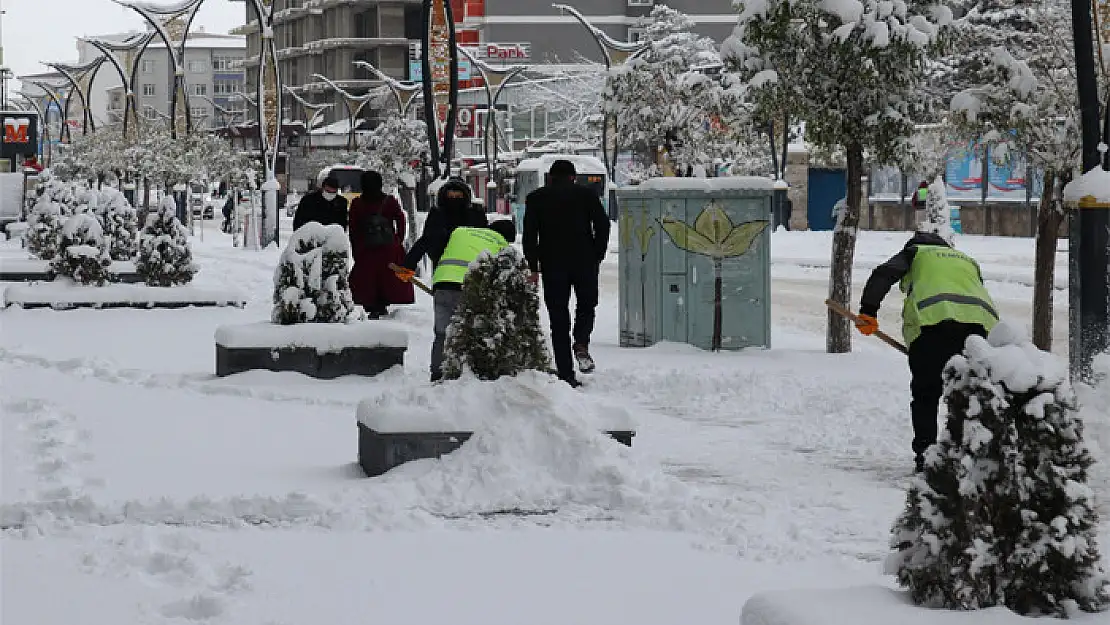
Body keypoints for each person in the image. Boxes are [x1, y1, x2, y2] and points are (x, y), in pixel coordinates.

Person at [856, 231, 1000, 473]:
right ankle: (972, 456)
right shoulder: (965, 259)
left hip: (935, 323)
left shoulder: (916, 252)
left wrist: (868, 312)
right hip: (981, 328)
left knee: (926, 393)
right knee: (972, 393)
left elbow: (883, 274)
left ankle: (926, 456)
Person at [395, 219, 518, 382]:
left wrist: (408, 265)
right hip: (471, 287)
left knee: (442, 332)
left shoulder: (460, 231)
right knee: (474, 332)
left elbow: (427, 239)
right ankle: (470, 375)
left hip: (442, 283)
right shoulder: (502, 245)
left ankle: (437, 373)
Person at [523, 159, 610, 387]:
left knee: (558, 318)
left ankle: (566, 374)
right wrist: (597, 254)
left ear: (550, 177)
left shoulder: (536, 199)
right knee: (586, 305)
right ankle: (581, 343)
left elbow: (530, 236)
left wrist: (533, 267)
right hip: (584, 262)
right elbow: (603, 225)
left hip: (553, 265)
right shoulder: (587, 196)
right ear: (573, 177)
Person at [348, 170, 413, 318]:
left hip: (366, 248)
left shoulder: (357, 203)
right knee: (388, 276)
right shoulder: (389, 201)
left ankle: (371, 303)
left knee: (367, 277)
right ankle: (383, 302)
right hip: (388, 248)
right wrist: (398, 239)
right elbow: (401, 219)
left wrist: (357, 247)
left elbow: (353, 228)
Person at [402, 178, 487, 274]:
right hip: (442, 272)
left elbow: (487, 239)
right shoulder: (437, 215)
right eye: (450, 195)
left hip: (471, 272)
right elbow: (426, 240)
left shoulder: (475, 215)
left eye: (458, 196)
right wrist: (408, 265)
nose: (454, 199)